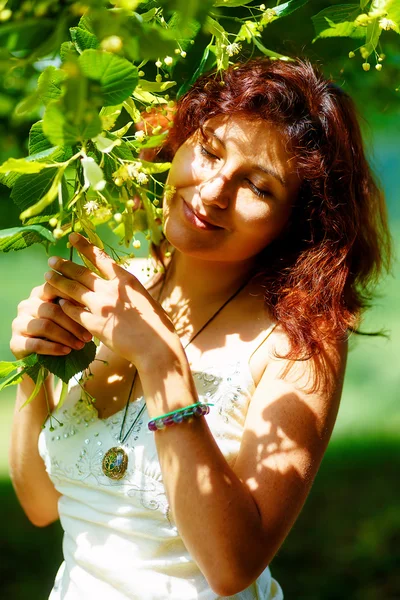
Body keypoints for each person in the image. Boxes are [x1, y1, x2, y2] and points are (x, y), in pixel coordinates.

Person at [9, 58, 391, 599]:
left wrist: (162, 363)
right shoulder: (117, 291)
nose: (213, 192)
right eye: (210, 152)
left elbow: (232, 567)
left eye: (258, 187)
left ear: (297, 220)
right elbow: (41, 504)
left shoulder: (299, 344)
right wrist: (35, 369)